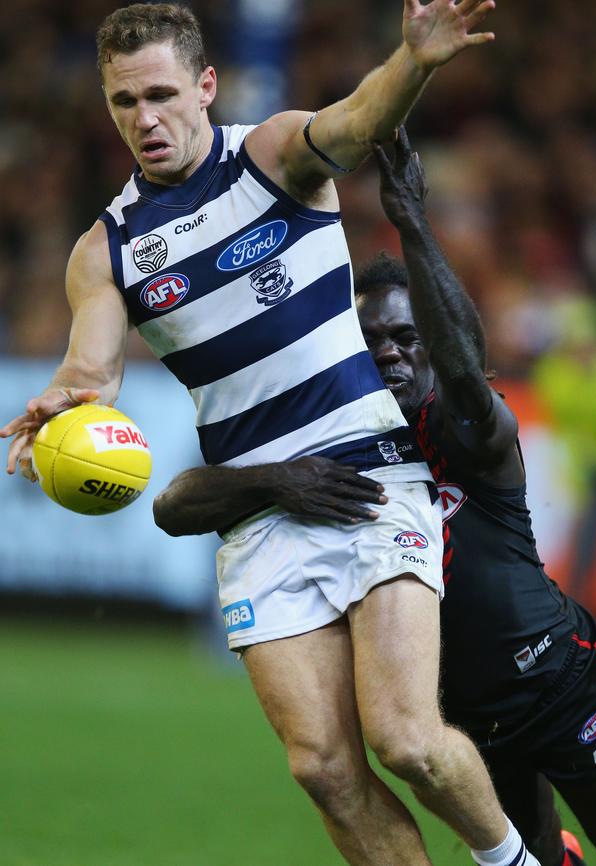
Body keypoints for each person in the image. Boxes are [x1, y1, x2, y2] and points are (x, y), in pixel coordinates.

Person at [0, 4, 544, 866]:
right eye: (123, 102)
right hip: (259, 514)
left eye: (162, 95)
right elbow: (94, 370)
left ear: (206, 87)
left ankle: (520, 861)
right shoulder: (106, 249)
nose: (145, 119)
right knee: (322, 768)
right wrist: (66, 398)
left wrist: (414, 62)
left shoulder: (272, 157)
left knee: (408, 742)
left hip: (370, 477)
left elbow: (360, 119)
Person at [153, 128, 596, 866]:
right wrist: (276, 480)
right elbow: (174, 507)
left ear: (434, 341)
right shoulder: (323, 451)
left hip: (552, 683)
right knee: (537, 857)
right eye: (371, 340)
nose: (388, 350)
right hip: (460, 723)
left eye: (406, 336)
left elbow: (464, 367)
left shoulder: (466, 428)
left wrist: (413, 220)